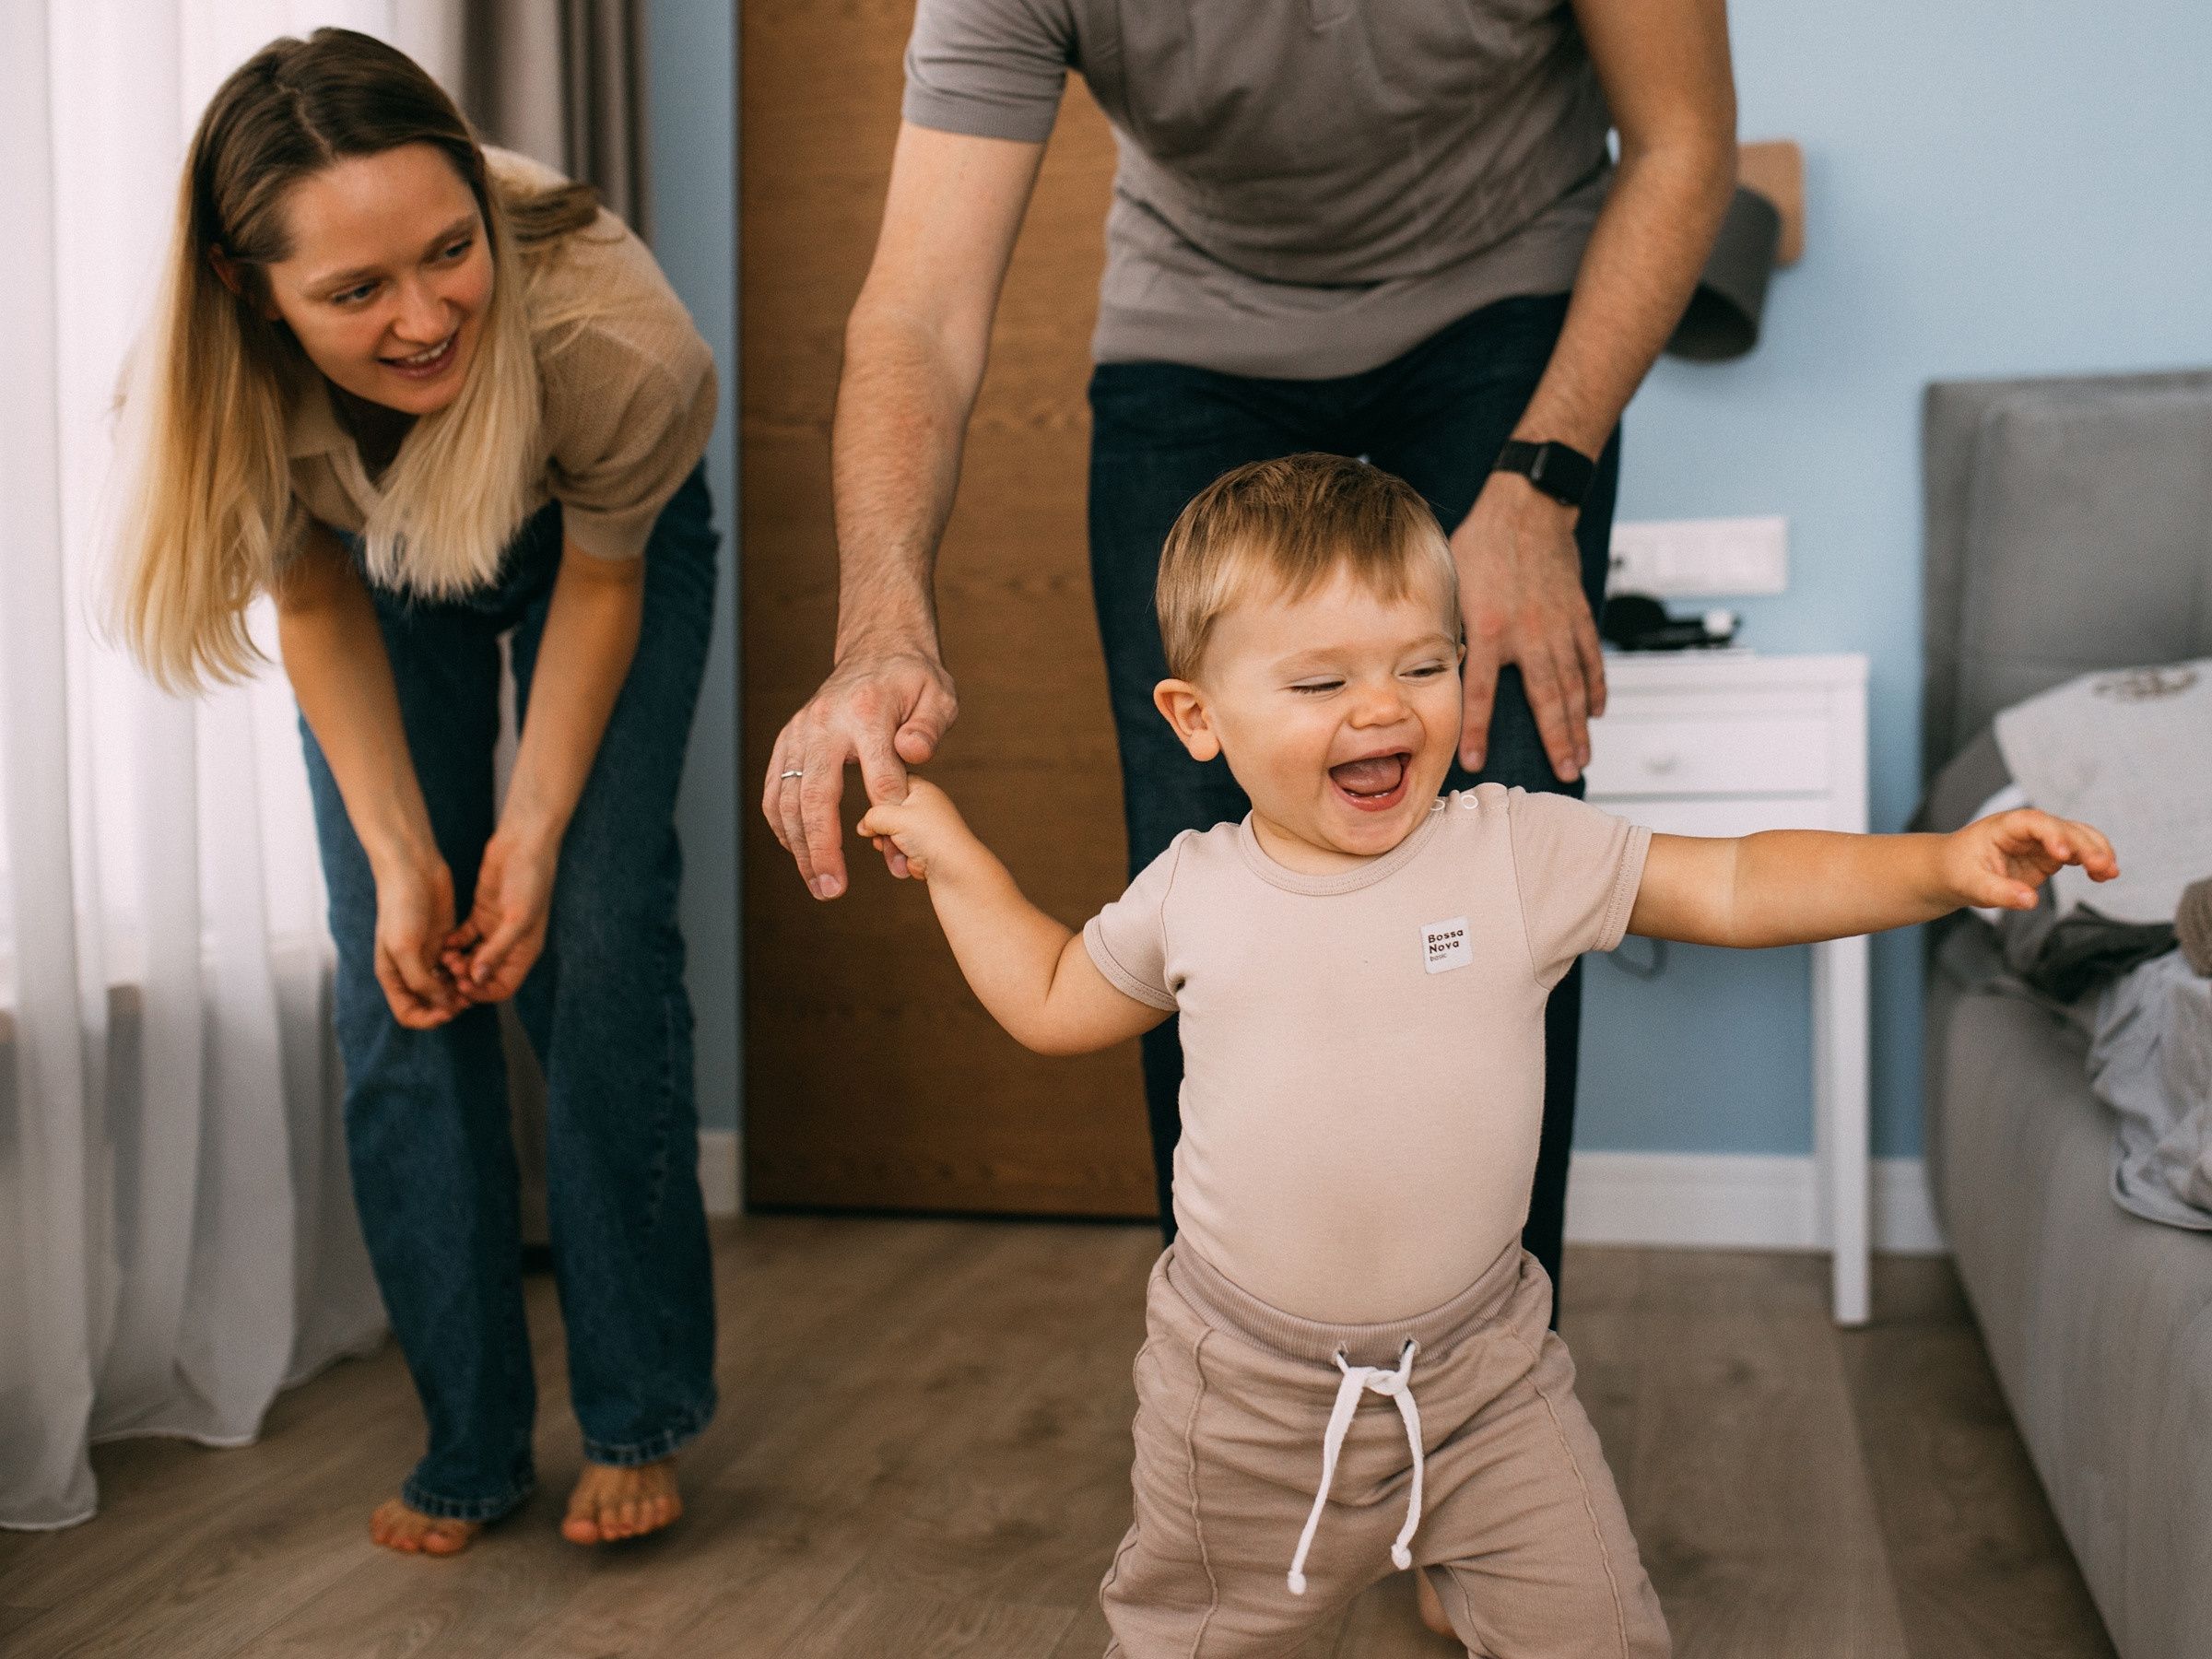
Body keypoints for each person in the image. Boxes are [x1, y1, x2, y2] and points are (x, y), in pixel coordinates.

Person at [853, 454, 2117, 1658]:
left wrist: (1940, 866)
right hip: (1243, 1395)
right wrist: (955, 860)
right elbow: (1054, 997)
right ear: (1198, 718)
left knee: (1599, 1633)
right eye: (1320, 683)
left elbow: (1734, 882)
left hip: (1486, 1379)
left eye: (1424, 664)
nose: (1383, 708)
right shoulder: (1190, 893)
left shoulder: (1517, 852)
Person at [763, 0, 1738, 1325]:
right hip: (1200, 335)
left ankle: (1490, 1370)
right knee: (1200, 859)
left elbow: (1682, 144)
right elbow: (919, 311)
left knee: (1494, 829)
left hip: (1509, 302)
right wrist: (880, 620)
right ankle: (1239, 1368)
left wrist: (1541, 484)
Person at [113, 30, 720, 1555]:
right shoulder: (209, 389)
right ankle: (471, 1436)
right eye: (356, 291)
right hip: (373, 559)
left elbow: (601, 586)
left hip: (598, 543)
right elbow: (313, 601)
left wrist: (532, 837)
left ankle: (637, 1411)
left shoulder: (617, 346)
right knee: (402, 969)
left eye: (452, 251)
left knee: (594, 934)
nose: (428, 315)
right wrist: (404, 859)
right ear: (252, 290)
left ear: (480, 202)